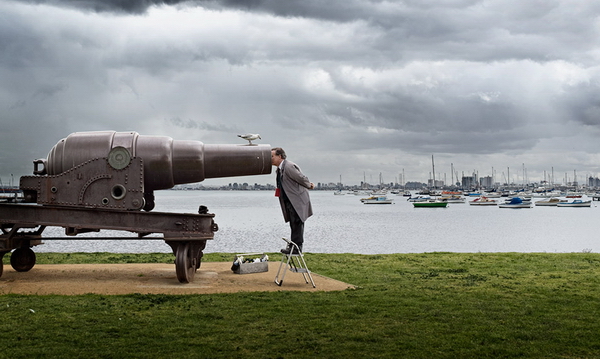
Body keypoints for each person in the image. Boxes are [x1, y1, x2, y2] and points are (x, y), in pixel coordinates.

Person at [271, 147, 314, 254]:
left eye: (272, 156)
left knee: (297, 223)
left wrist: (309, 185)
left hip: (297, 201)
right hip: (290, 201)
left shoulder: (289, 166)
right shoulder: (280, 169)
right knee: (293, 224)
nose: (270, 159)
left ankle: (297, 248)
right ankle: (293, 246)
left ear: (279, 156)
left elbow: (301, 178)